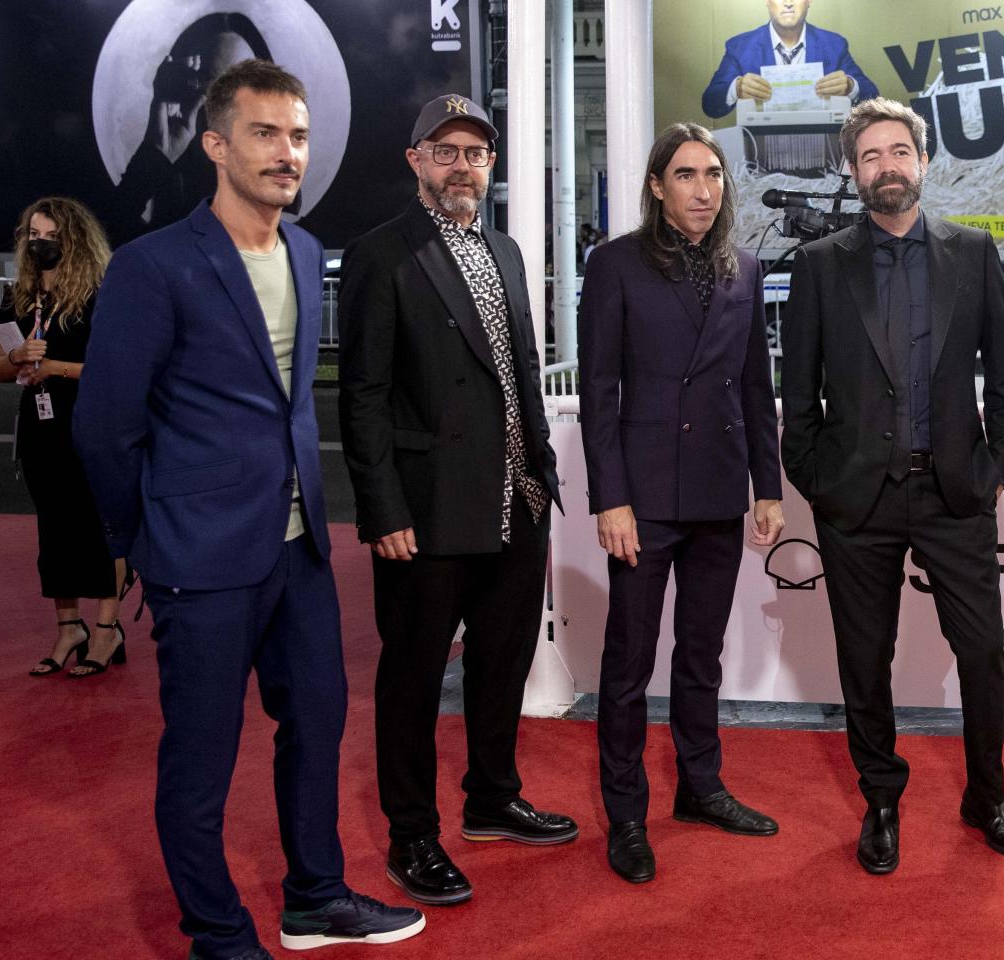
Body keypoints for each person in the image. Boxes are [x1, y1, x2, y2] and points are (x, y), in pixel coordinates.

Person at [74, 59, 423, 959]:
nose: (286, 153)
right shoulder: (154, 267)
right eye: (266, 134)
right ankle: (218, 934)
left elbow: (290, 402)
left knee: (317, 724)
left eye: (298, 136)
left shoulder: (308, 254)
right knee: (201, 758)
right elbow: (107, 425)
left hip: (298, 546)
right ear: (216, 143)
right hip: (198, 556)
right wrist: (138, 541)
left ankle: (315, 897)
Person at [780, 97, 1004, 875]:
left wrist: (998, 468)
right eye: (870, 157)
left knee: (983, 651)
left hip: (955, 491)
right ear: (854, 173)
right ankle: (881, 799)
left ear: (923, 161)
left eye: (898, 152)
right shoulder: (821, 265)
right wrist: (819, 480)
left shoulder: (973, 251)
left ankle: (985, 797)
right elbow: (800, 393)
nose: (886, 167)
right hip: (857, 499)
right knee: (864, 657)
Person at [337, 93, 573, 908]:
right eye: (445, 151)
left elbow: (521, 377)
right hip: (427, 513)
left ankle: (490, 798)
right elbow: (361, 395)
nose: (462, 165)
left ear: (490, 165)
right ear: (416, 162)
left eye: (475, 152)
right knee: (410, 680)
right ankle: (411, 836)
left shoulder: (506, 250)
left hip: (516, 502)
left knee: (502, 663)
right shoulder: (381, 255)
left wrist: (540, 474)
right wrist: (383, 508)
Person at [578, 123, 786, 884]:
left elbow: (756, 387)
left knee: (701, 656)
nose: (704, 189)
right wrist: (612, 498)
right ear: (659, 187)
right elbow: (600, 393)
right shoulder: (616, 265)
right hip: (644, 497)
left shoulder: (746, 267)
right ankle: (627, 814)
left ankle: (701, 788)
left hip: (719, 490)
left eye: (714, 175)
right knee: (628, 662)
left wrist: (769, 485)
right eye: (688, 175)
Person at [0, 197, 130, 678]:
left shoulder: (101, 294)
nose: (40, 243)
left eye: (50, 235)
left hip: (89, 422)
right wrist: (20, 357)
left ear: (74, 239)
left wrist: (53, 367)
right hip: (39, 426)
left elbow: (117, 371)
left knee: (97, 525)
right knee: (52, 526)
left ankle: (108, 630)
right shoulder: (21, 297)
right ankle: (70, 626)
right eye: (33, 235)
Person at [109, 14, 273, 243]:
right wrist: (156, 154)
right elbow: (103, 249)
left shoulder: (291, 232)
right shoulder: (161, 238)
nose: (229, 107)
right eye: (209, 84)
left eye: (244, 85)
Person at [701, 0, 878, 119]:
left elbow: (873, 98)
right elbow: (710, 104)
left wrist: (850, 86)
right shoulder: (740, 47)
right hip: (760, 153)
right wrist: (736, 89)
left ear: (809, 1)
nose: (788, 3)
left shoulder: (834, 45)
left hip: (823, 150)